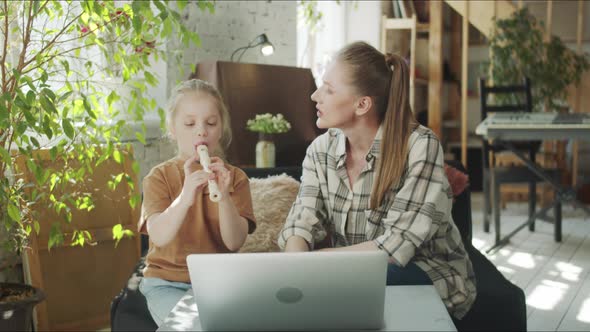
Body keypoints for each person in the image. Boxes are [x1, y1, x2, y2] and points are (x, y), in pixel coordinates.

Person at [278, 41, 476, 320]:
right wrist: (294, 267)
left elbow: (397, 246)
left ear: (362, 105)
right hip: (354, 274)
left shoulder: (420, 146)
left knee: (352, 291)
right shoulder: (319, 151)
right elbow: (302, 220)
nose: (314, 95)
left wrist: (316, 265)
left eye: (329, 89)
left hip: (428, 275)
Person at [138, 79, 256, 326]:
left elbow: (234, 242)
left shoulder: (235, 178)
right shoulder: (159, 177)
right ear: (172, 128)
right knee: (198, 326)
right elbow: (158, 235)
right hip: (166, 284)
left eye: (211, 123)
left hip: (219, 283)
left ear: (221, 128)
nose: (201, 131)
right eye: (190, 123)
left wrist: (223, 196)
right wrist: (185, 196)